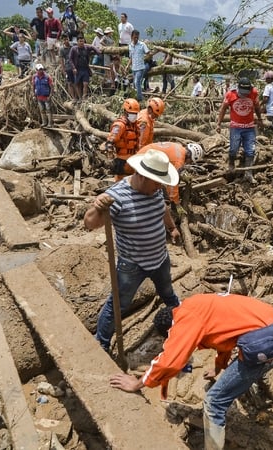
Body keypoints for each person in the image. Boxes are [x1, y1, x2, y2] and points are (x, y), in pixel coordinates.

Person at [110, 293, 273, 450]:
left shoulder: (185, 320)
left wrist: (137, 383)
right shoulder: (196, 304)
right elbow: (226, 335)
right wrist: (218, 366)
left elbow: (170, 362)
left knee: (214, 402)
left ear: (171, 329)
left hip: (271, 342)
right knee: (226, 385)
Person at [83, 149, 181, 352]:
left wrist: (172, 228)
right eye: (157, 182)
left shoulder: (155, 190)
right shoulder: (117, 197)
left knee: (168, 294)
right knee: (118, 305)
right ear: (143, 177)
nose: (160, 186)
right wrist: (98, 207)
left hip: (160, 259)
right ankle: (101, 343)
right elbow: (90, 224)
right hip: (132, 265)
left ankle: (181, 321)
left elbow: (163, 209)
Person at [216, 77, 262, 183]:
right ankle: (231, 164)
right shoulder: (230, 94)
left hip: (249, 127)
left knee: (250, 151)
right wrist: (218, 123)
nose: (245, 95)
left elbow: (257, 106)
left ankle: (248, 173)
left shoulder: (254, 93)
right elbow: (223, 109)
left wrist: (260, 119)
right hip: (236, 127)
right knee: (233, 149)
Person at [136, 141, 203, 208]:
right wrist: (176, 202)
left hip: (143, 154)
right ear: (189, 156)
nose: (188, 163)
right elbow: (173, 183)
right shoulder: (179, 161)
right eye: (190, 161)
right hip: (144, 161)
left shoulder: (179, 147)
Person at [105, 98, 140, 182]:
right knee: (120, 182)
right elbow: (110, 141)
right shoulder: (119, 125)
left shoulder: (135, 125)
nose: (134, 116)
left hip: (133, 159)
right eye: (131, 113)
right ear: (125, 112)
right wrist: (110, 156)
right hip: (121, 160)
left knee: (132, 182)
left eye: (135, 114)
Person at [69, 35, 101, 100]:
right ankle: (80, 98)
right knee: (78, 84)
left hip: (85, 69)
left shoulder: (86, 48)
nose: (81, 43)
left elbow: (92, 47)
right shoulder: (74, 49)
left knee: (85, 83)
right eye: (80, 41)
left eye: (83, 41)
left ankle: (84, 98)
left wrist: (98, 52)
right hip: (77, 69)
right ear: (77, 42)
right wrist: (73, 68)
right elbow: (70, 59)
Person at [126, 30, 149, 101]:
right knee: (134, 84)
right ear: (132, 37)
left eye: (137, 37)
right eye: (135, 37)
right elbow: (131, 58)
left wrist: (144, 58)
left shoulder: (142, 44)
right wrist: (127, 66)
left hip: (141, 67)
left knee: (137, 82)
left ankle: (140, 99)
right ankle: (136, 96)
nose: (136, 38)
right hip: (134, 68)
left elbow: (149, 53)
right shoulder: (130, 46)